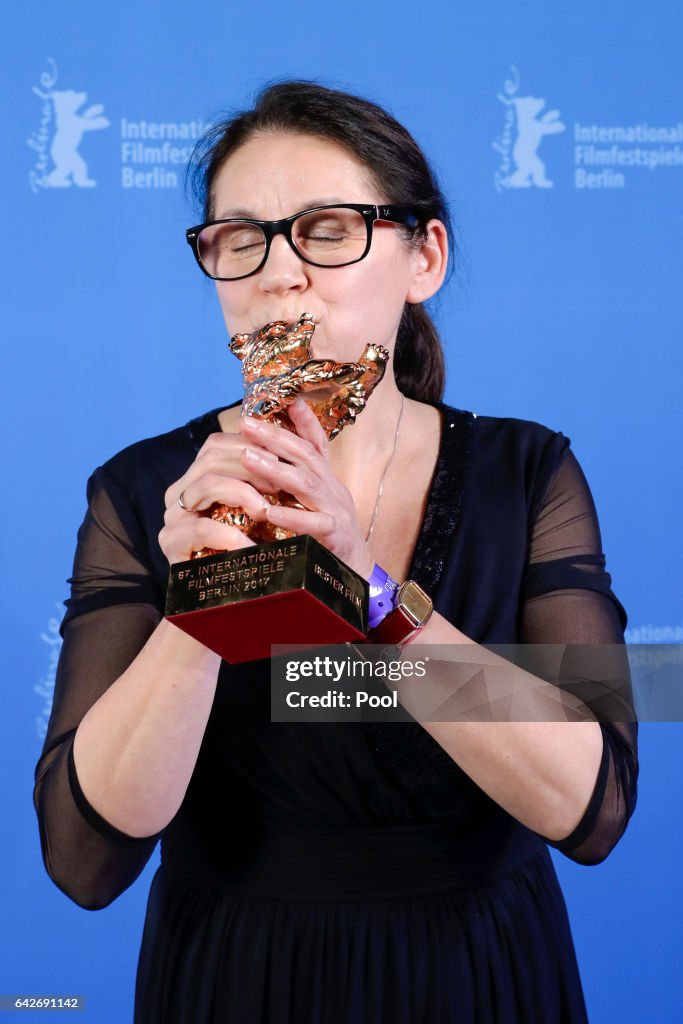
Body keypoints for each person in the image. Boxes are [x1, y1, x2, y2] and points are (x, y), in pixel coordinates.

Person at [33, 81, 638, 1023]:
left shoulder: (526, 475)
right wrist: (201, 602)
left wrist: (369, 593)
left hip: (479, 969)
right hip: (235, 973)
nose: (278, 273)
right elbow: (84, 859)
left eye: (325, 229)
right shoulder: (141, 491)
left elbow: (592, 807)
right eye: (240, 239)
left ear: (422, 258)